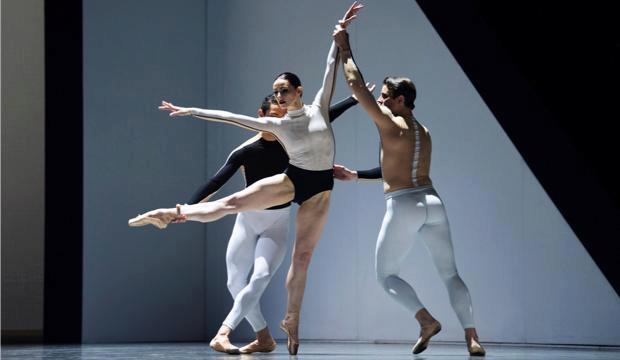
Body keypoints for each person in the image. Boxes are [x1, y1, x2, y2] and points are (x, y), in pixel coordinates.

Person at [128, 3, 364, 354]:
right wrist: (192, 110)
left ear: (299, 91)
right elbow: (229, 116)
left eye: (285, 90)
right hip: (293, 180)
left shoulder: (319, 108)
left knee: (302, 258)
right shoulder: (276, 125)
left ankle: (292, 320)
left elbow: (331, 68)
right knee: (233, 202)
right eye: (277, 92)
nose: (281, 96)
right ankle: (172, 212)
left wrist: (340, 38)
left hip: (319, 191)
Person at [331, 3, 486, 356]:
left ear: (401, 100)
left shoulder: (390, 123)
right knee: (451, 274)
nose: (380, 100)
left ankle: (426, 320)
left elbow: (356, 87)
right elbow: (396, 168)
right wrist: (357, 175)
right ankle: (473, 337)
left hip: (404, 204)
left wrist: (345, 47)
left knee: (385, 276)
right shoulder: (423, 131)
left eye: (385, 96)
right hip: (433, 202)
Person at [185, 94, 360, 354]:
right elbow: (215, 182)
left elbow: (322, 118)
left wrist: (354, 100)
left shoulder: (293, 145)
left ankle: (223, 332)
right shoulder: (245, 151)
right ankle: (264, 338)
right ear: (260, 116)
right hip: (247, 220)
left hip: (276, 223)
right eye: (275, 118)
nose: (280, 125)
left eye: (283, 119)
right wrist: (186, 209)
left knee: (261, 276)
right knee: (234, 282)